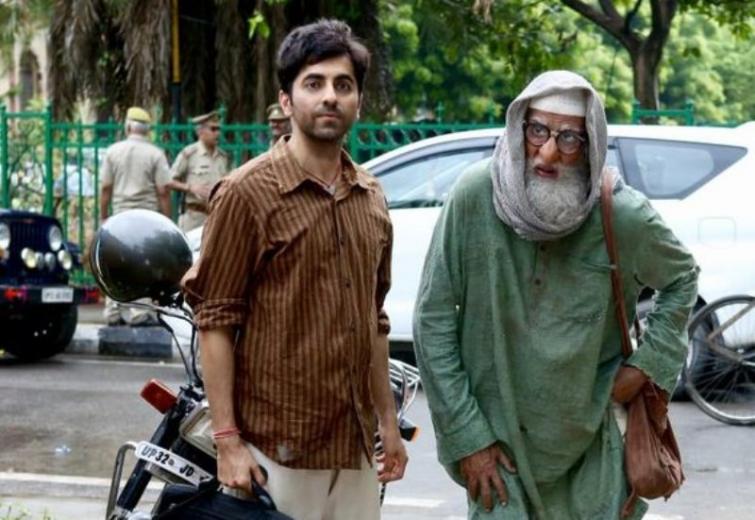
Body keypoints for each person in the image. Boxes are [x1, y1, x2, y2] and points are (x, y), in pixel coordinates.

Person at [413, 70, 699, 520]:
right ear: (518, 128)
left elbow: (682, 278)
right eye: (537, 131)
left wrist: (646, 365)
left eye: (568, 139)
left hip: (595, 450)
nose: (547, 153)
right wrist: (468, 438)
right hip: (498, 453)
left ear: (590, 146)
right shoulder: (475, 196)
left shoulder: (620, 214)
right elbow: (433, 322)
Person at [181, 19, 407, 520]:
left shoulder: (371, 197)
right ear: (286, 101)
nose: (330, 97)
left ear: (358, 102)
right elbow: (215, 320)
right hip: (276, 454)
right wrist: (227, 442)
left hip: (354, 450)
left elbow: (374, 320)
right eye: (314, 83)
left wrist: (388, 425)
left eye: (343, 85)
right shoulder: (247, 193)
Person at [100, 106, 171, 326]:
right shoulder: (156, 154)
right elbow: (163, 191)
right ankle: (140, 312)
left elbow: (105, 188)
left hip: (119, 216)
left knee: (116, 263)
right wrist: (167, 221)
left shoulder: (113, 151)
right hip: (146, 218)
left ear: (128, 127)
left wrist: (103, 216)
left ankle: (113, 311)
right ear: (147, 130)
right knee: (143, 263)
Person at [166, 111, 230, 232]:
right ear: (200, 132)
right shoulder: (189, 154)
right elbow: (168, 181)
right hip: (194, 217)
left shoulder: (222, 156)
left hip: (216, 215)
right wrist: (190, 188)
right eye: (213, 129)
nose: (217, 133)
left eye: (219, 129)